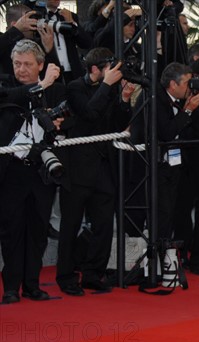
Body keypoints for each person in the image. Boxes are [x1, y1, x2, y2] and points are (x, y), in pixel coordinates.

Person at [56, 47, 134, 296]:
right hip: (77, 167)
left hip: (103, 166)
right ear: (94, 69)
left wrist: (123, 99)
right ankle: (66, 277)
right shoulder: (74, 88)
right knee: (71, 225)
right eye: (108, 68)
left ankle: (93, 274)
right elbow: (89, 114)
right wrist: (107, 87)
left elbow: (117, 125)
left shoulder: (110, 89)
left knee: (103, 224)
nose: (113, 73)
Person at [0, 40, 64, 303]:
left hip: (41, 172)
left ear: (40, 65)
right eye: (17, 63)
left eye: (27, 64)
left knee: (38, 229)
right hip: (11, 172)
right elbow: (11, 99)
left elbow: (74, 117)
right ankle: (12, 288)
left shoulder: (55, 91)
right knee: (11, 230)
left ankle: (33, 285)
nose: (21, 69)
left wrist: (59, 121)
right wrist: (41, 85)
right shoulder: (6, 87)